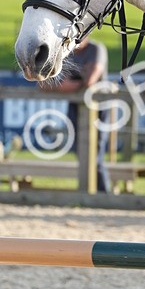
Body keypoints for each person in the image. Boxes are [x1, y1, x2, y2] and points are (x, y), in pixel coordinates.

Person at [54, 35, 112, 194]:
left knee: (95, 154)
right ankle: (93, 192)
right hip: (76, 106)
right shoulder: (66, 52)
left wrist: (68, 84)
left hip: (97, 108)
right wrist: (64, 85)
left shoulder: (96, 49)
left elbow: (90, 80)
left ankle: (102, 193)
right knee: (80, 151)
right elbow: (43, 83)